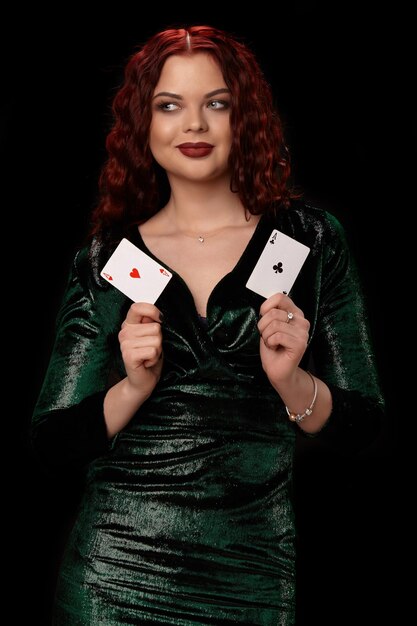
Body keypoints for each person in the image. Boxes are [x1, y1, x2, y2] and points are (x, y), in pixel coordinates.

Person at [31, 25, 384, 626]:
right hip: (114, 578)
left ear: (244, 118)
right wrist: (132, 387)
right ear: (144, 123)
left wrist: (292, 381)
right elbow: (53, 440)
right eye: (170, 105)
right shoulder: (112, 259)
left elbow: (362, 428)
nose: (193, 125)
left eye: (215, 104)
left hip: (251, 578)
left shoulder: (309, 240)